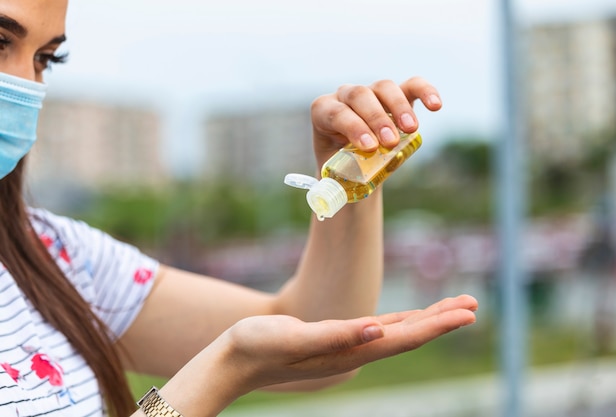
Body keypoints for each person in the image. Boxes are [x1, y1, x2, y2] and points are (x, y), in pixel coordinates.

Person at [0, 1, 479, 417]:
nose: (26, 84)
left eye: (46, 58)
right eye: (1, 42)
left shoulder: (51, 256)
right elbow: (248, 350)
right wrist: (225, 370)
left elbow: (307, 329)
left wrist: (356, 174)